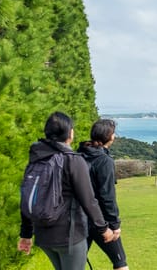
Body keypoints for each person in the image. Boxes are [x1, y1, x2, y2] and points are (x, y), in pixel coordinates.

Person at [18, 111, 115, 269]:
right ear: (70, 133)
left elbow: (27, 196)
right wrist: (104, 229)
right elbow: (89, 200)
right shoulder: (73, 160)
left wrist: (26, 234)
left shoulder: (36, 159)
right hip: (68, 236)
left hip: (44, 237)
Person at [78, 119, 129, 270]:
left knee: (75, 264)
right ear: (110, 136)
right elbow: (107, 196)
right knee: (120, 262)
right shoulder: (104, 161)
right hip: (100, 221)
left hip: (78, 219)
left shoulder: (78, 155)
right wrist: (114, 224)